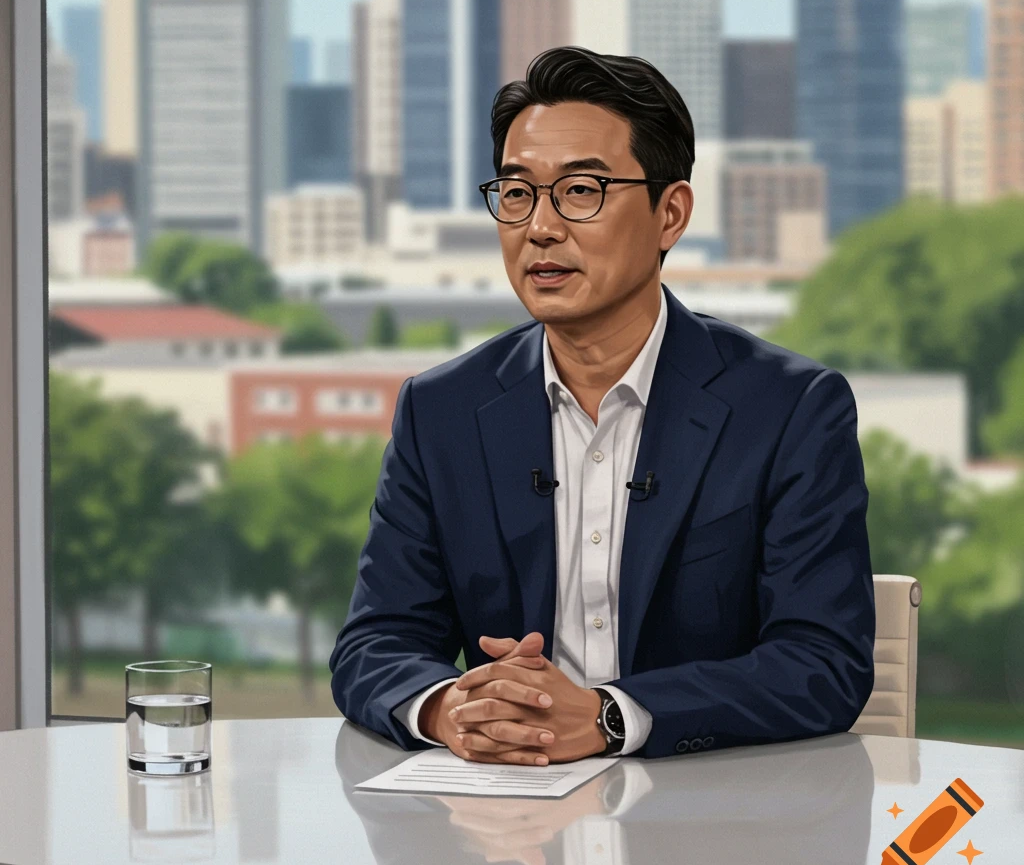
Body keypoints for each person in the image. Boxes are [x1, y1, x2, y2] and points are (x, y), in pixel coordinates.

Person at [329, 45, 875, 764]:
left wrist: (610, 717)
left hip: (713, 825)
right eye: (517, 193)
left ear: (669, 214)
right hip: (504, 827)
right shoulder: (441, 413)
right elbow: (376, 642)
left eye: (581, 190)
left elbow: (822, 663)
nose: (540, 228)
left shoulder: (790, 409)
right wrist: (451, 706)